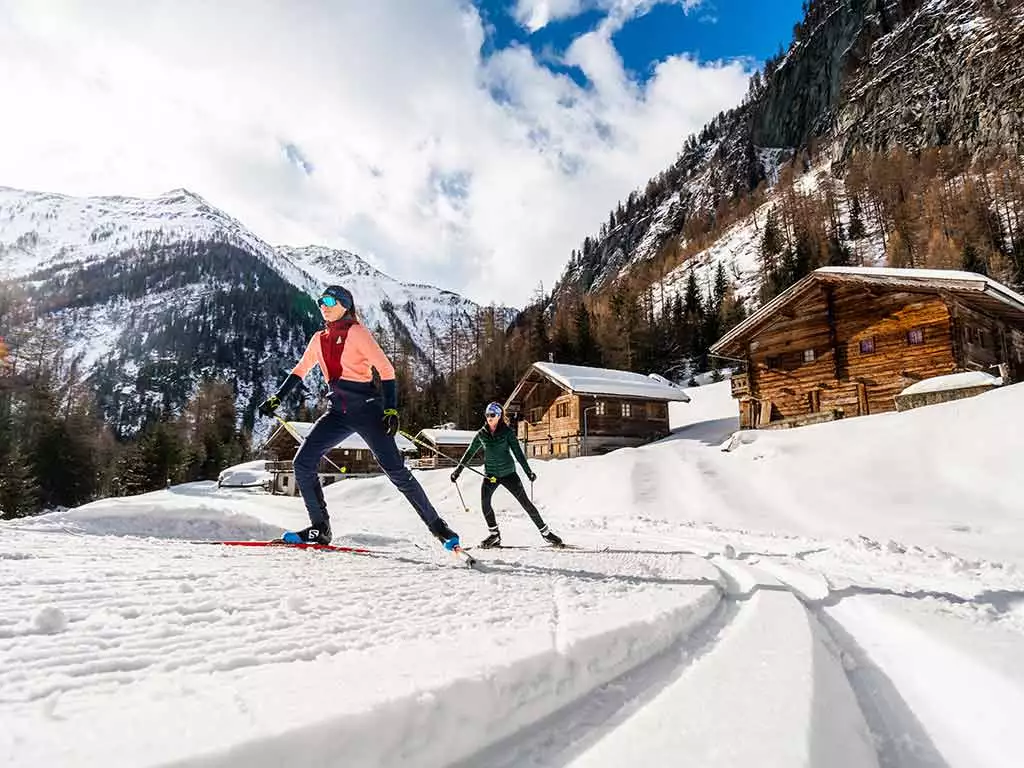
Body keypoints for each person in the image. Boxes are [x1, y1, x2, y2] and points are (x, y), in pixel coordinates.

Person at [258, 285, 461, 551]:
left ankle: (439, 528)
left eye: (330, 300)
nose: (323, 305)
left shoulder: (357, 332)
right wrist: (278, 397)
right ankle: (320, 528)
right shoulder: (318, 339)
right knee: (303, 463)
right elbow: (300, 370)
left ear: (345, 304)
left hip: (367, 410)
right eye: (320, 301)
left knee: (396, 471)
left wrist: (390, 409)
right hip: (337, 413)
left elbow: (386, 370)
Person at [450, 401, 563, 549]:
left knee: (525, 503)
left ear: (499, 416)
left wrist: (528, 472)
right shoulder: (481, 434)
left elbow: (518, 453)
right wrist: (457, 472)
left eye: (492, 415)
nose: (489, 418)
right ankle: (494, 535)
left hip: (509, 474)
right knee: (485, 503)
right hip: (490, 475)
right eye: (487, 415)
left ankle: (546, 533)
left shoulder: (507, 432)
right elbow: (469, 453)